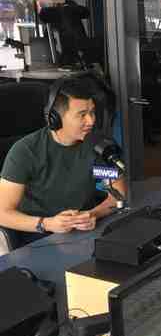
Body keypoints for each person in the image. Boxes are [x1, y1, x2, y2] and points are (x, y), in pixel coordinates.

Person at [0, 77, 126, 248]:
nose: (91, 121)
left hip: (83, 231)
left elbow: (117, 194)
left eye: (92, 112)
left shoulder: (97, 146)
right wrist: (47, 224)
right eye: (82, 115)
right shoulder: (26, 152)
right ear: (55, 118)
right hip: (38, 234)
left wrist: (93, 214)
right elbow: (3, 213)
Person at [38, 0, 90, 67]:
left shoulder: (60, 10)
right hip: (79, 46)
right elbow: (86, 12)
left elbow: (43, 15)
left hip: (70, 47)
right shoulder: (69, 8)